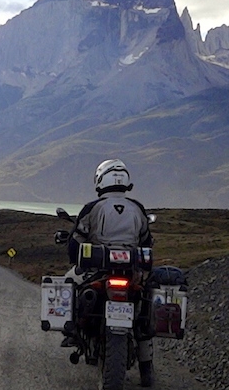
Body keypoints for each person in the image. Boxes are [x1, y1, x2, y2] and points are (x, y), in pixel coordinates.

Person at [60, 159, 154, 375]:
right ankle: (146, 361)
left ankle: (72, 330)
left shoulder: (92, 208)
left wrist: (75, 259)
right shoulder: (137, 209)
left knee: (68, 281)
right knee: (142, 310)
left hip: (97, 272)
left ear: (100, 180)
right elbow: (147, 241)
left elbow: (76, 243)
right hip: (131, 273)